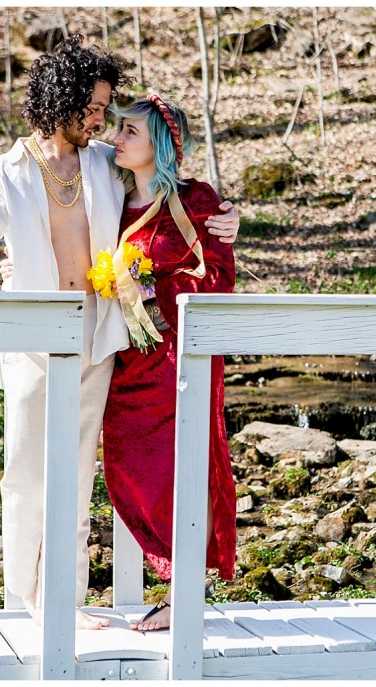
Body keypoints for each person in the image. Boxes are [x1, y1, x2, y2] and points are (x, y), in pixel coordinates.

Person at [0, 36, 239, 631]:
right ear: (64, 99)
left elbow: (167, 180)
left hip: (99, 342)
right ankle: (26, 598)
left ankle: (63, 599)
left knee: (76, 475)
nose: (103, 120)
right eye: (96, 108)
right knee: (27, 473)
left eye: (107, 110)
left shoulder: (105, 164)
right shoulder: (5, 171)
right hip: (31, 344)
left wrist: (225, 216)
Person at [101, 96, 237, 632]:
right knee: (126, 470)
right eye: (118, 129)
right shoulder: (110, 193)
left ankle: (184, 590)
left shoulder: (195, 200)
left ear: (158, 144)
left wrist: (154, 285)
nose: (118, 139)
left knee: (176, 471)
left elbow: (220, 279)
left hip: (178, 359)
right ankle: (177, 580)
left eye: (129, 131)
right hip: (126, 362)